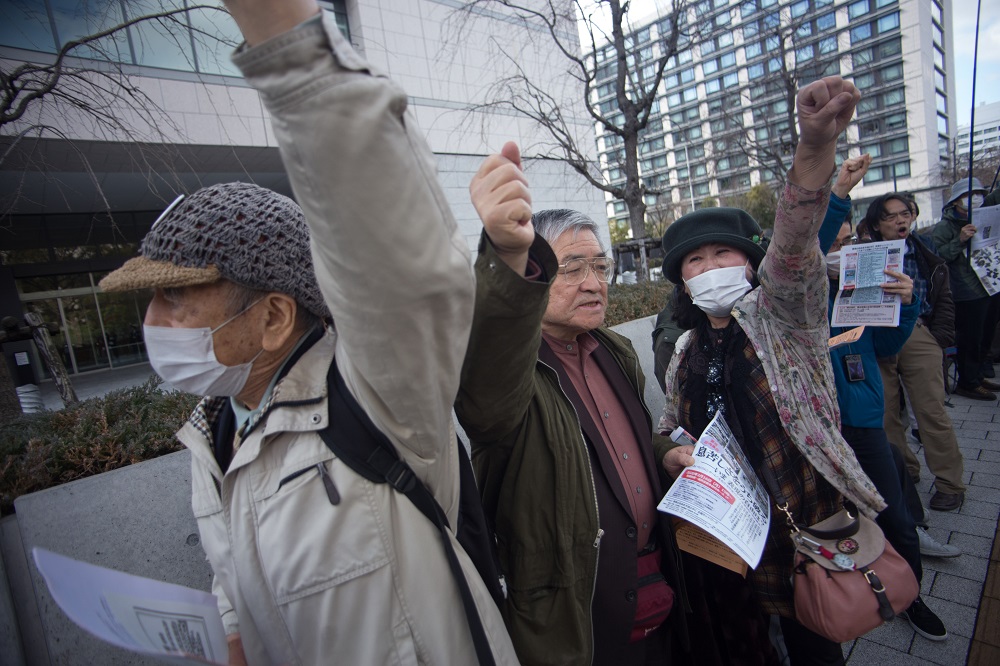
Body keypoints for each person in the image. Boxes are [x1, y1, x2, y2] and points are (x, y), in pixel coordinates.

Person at [99, 3, 518, 664]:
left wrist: (287, 43)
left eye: (177, 296)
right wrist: (236, 634)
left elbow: (391, 255)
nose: (154, 321)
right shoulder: (214, 434)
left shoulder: (380, 395)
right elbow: (234, 573)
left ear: (273, 317)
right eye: (150, 299)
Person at [658, 77, 884, 666]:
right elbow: (673, 427)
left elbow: (793, 242)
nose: (709, 268)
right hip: (725, 532)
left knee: (813, 643)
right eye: (695, 261)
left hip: (800, 521)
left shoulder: (786, 315)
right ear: (682, 280)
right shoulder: (685, 347)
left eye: (722, 254)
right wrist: (670, 454)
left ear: (750, 262)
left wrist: (814, 149)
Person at [457, 143, 693, 664]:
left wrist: (662, 455)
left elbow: (623, 446)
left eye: (601, 266)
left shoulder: (615, 349)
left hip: (659, 594)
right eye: (572, 268)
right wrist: (506, 253)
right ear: (536, 277)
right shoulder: (513, 372)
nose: (595, 283)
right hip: (574, 620)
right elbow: (486, 400)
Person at [823, 204, 950, 642]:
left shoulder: (861, 285)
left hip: (863, 418)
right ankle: (851, 590)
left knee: (894, 513)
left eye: (847, 243)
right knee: (835, 518)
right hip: (821, 426)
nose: (841, 251)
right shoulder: (801, 293)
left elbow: (886, 342)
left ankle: (911, 593)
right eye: (833, 244)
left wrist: (907, 304)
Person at [857, 194, 966, 513]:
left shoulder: (926, 249)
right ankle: (905, 471)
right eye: (890, 217)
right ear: (877, 223)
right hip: (877, 334)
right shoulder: (863, 254)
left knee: (931, 409)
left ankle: (950, 482)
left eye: (905, 213)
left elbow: (944, 296)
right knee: (887, 412)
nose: (900, 221)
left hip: (918, 331)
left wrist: (939, 336)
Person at [932, 178, 999, 400]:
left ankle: (977, 376)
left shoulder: (986, 215)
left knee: (985, 336)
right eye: (969, 195)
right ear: (956, 201)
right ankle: (968, 382)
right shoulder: (945, 226)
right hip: (966, 290)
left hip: (989, 285)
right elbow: (938, 258)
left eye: (979, 193)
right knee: (970, 337)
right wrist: (959, 240)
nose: (976, 198)